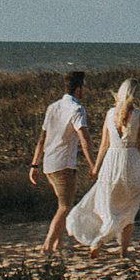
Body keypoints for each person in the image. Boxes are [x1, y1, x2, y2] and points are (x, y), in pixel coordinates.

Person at [66, 78, 140, 257]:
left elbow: (104, 144)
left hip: (111, 162)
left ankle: (100, 241)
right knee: (130, 208)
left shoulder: (110, 114)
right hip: (132, 161)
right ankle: (122, 250)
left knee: (107, 205)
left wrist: (96, 167)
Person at [30, 70, 91, 254]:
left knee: (63, 204)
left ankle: (58, 243)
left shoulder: (53, 107)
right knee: (65, 206)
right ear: (79, 89)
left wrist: (34, 164)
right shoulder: (77, 109)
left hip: (49, 162)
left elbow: (42, 138)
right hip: (63, 163)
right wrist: (92, 164)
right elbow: (84, 139)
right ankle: (48, 245)